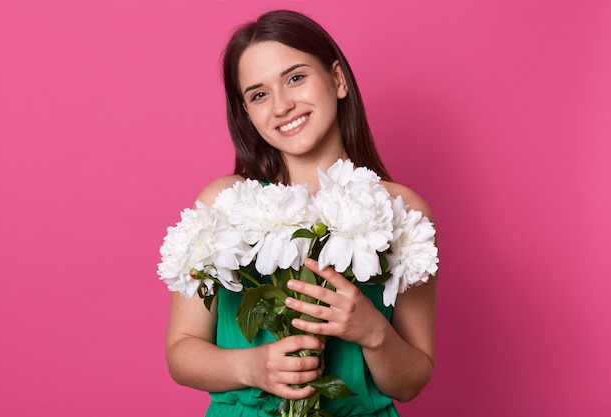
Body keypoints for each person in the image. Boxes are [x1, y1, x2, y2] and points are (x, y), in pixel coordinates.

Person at [165, 9, 438, 417]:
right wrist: (251, 367)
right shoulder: (223, 203)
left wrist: (373, 333)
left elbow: (412, 380)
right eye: (258, 94)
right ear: (247, 114)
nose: (282, 105)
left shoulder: (402, 211)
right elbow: (181, 351)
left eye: (295, 78)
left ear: (338, 80)